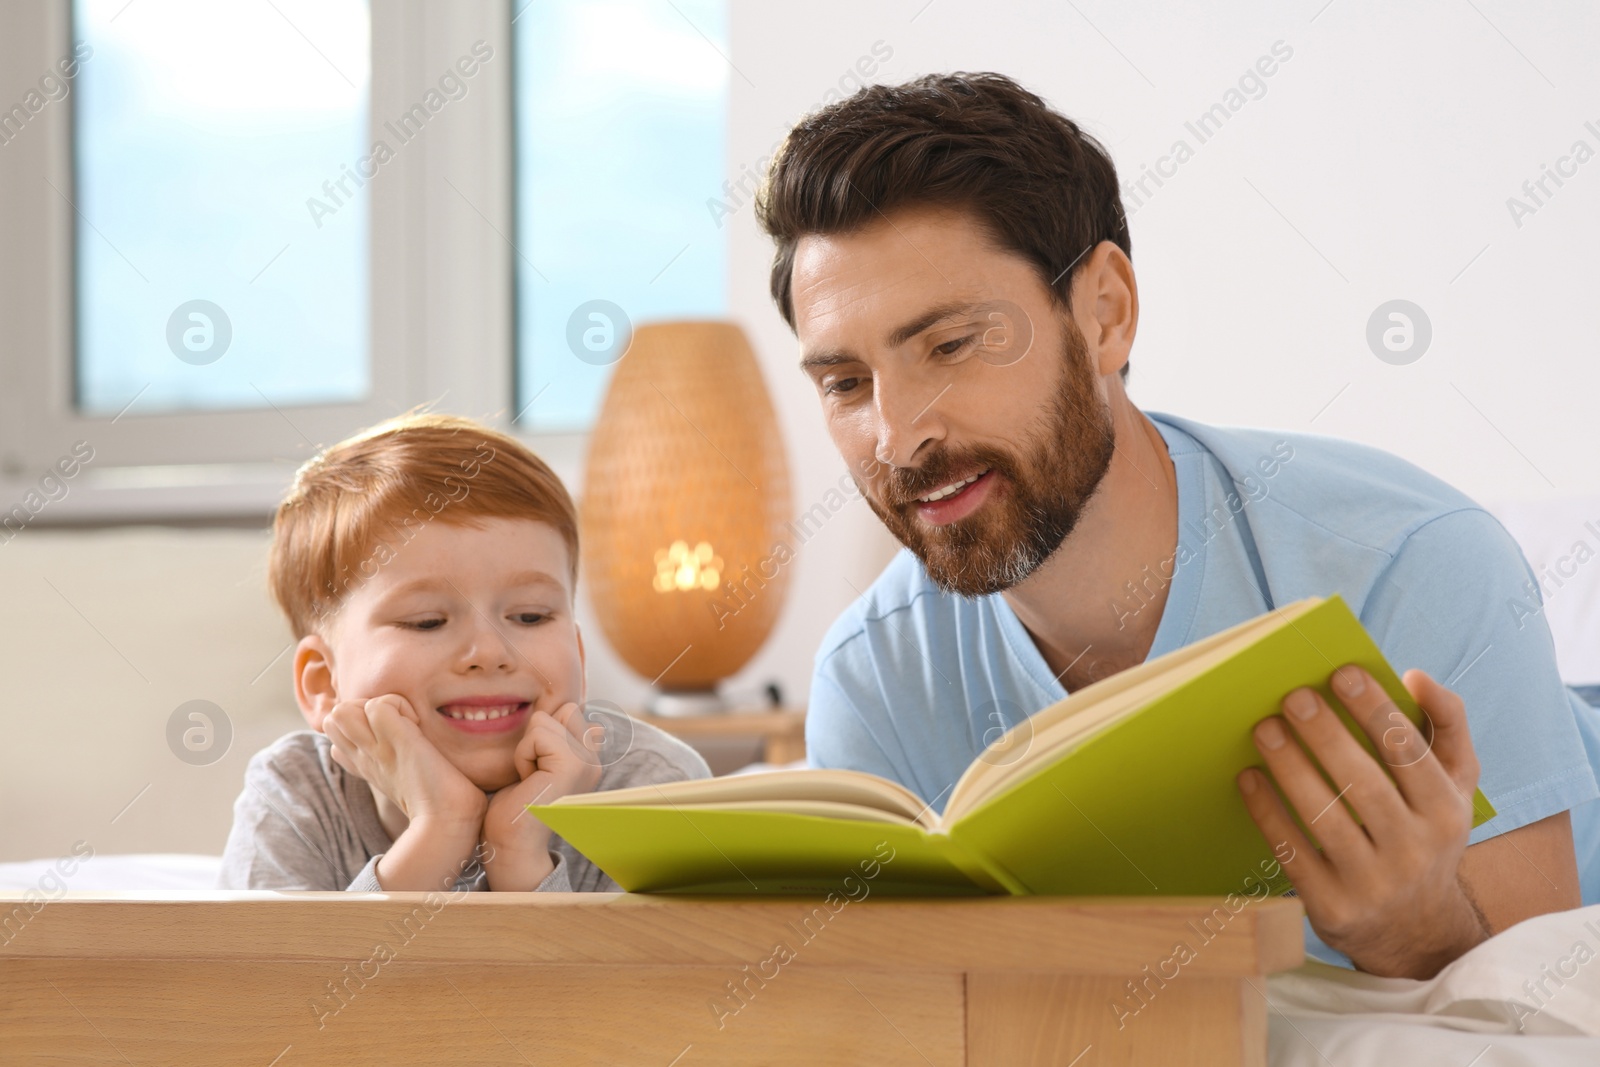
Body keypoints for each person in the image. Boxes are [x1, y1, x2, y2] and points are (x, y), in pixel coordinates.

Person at [756, 72, 1600, 979]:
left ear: (1105, 313)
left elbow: (1535, 1020)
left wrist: (1414, 932)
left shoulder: (1413, 564)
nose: (897, 434)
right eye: (845, 383)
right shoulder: (874, 681)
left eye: (953, 345)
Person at [217, 413, 708, 892]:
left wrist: (518, 853)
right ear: (324, 683)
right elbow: (303, 978)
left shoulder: (653, 785)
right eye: (426, 622)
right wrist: (439, 831)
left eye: (531, 616)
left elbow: (645, 978)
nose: (490, 653)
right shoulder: (295, 795)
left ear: (577, 651)